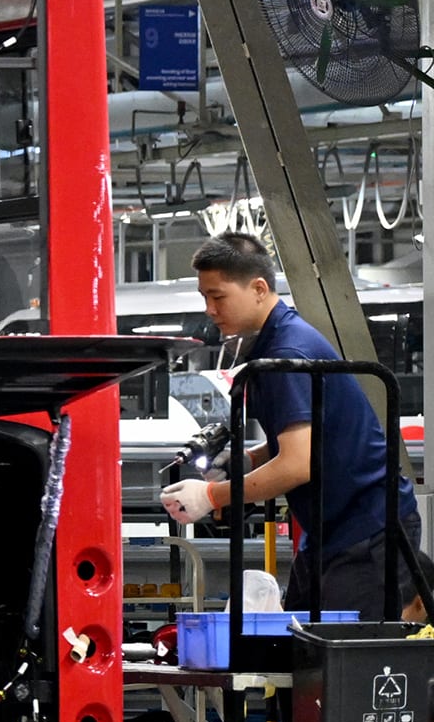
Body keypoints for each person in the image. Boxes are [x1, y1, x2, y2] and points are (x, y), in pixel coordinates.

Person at [164, 232, 423, 618]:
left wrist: (212, 496)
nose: (210, 310)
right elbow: (304, 436)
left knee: (344, 648)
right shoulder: (274, 343)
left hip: (367, 527)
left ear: (258, 288)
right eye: (204, 297)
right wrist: (248, 460)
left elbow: (297, 464)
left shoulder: (287, 353)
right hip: (334, 528)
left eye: (218, 297)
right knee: (298, 642)